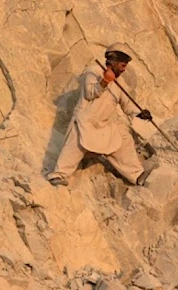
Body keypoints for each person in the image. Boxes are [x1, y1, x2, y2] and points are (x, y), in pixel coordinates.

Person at [47, 43, 154, 187]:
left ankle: (136, 175)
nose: (124, 69)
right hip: (84, 121)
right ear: (113, 62)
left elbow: (127, 105)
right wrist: (105, 81)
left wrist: (140, 113)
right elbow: (91, 93)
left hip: (102, 125)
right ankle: (58, 175)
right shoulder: (93, 71)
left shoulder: (120, 82)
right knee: (74, 148)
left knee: (123, 139)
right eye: (122, 66)